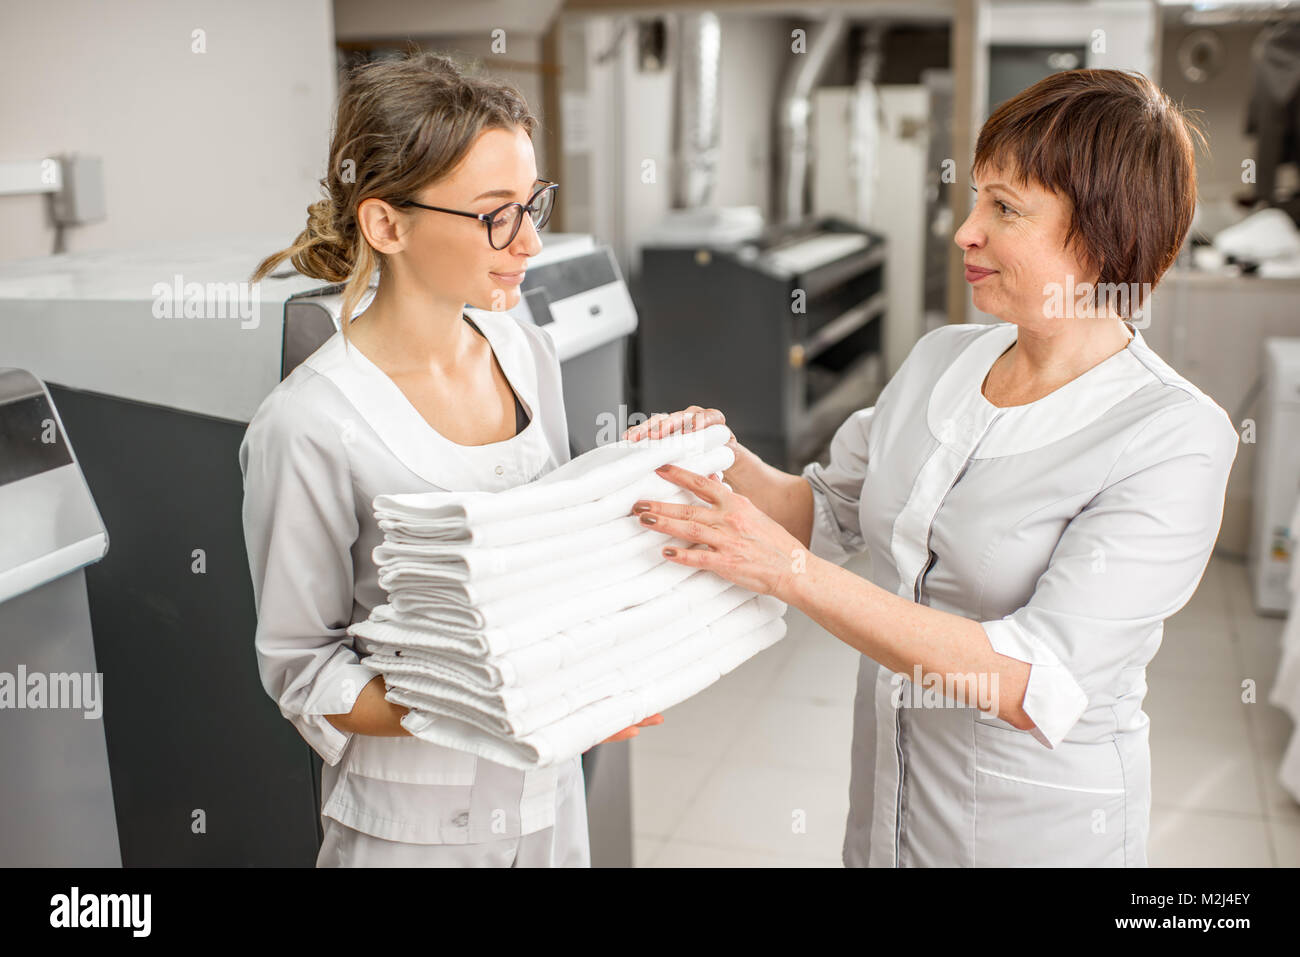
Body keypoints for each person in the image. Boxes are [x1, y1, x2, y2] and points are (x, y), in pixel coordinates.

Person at [624, 69, 1239, 866]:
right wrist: (724, 459)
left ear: (1102, 236)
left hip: (1034, 834)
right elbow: (825, 511)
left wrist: (790, 574)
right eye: (978, 196)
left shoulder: (1173, 435)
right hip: (889, 807)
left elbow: (1028, 681)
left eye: (1005, 207)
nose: (965, 231)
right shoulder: (942, 361)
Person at [240, 51, 658, 868]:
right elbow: (303, 670)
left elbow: (551, 557)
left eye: (533, 202)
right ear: (386, 225)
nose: (530, 240)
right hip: (413, 832)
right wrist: (487, 703)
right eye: (496, 214)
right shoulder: (310, 424)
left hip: (549, 794)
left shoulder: (522, 346)